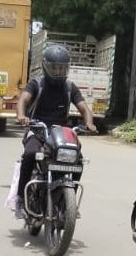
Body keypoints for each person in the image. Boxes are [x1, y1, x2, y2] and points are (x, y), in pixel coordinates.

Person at [14, 44, 96, 217]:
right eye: (55, 68)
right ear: (46, 66)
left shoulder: (69, 87)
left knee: (78, 159)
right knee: (29, 154)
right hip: (38, 129)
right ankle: (20, 199)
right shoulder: (36, 84)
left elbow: (84, 108)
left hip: (61, 133)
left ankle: (69, 200)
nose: (59, 72)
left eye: (62, 68)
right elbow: (23, 100)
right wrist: (22, 116)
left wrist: (89, 123)